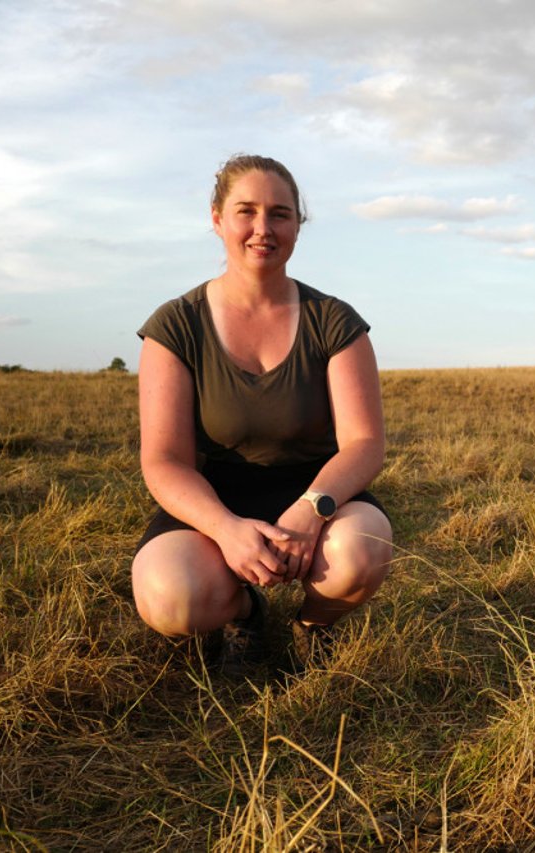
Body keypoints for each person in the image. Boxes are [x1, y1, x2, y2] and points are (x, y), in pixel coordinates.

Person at [132, 153, 393, 676]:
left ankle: (313, 627)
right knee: (170, 598)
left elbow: (365, 443)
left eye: (280, 213)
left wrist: (308, 511)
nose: (262, 229)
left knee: (362, 550)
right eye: (245, 211)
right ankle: (244, 614)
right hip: (214, 500)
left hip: (316, 493)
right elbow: (163, 460)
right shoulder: (176, 324)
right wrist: (226, 529)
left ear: (298, 224)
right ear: (217, 219)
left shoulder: (334, 321)